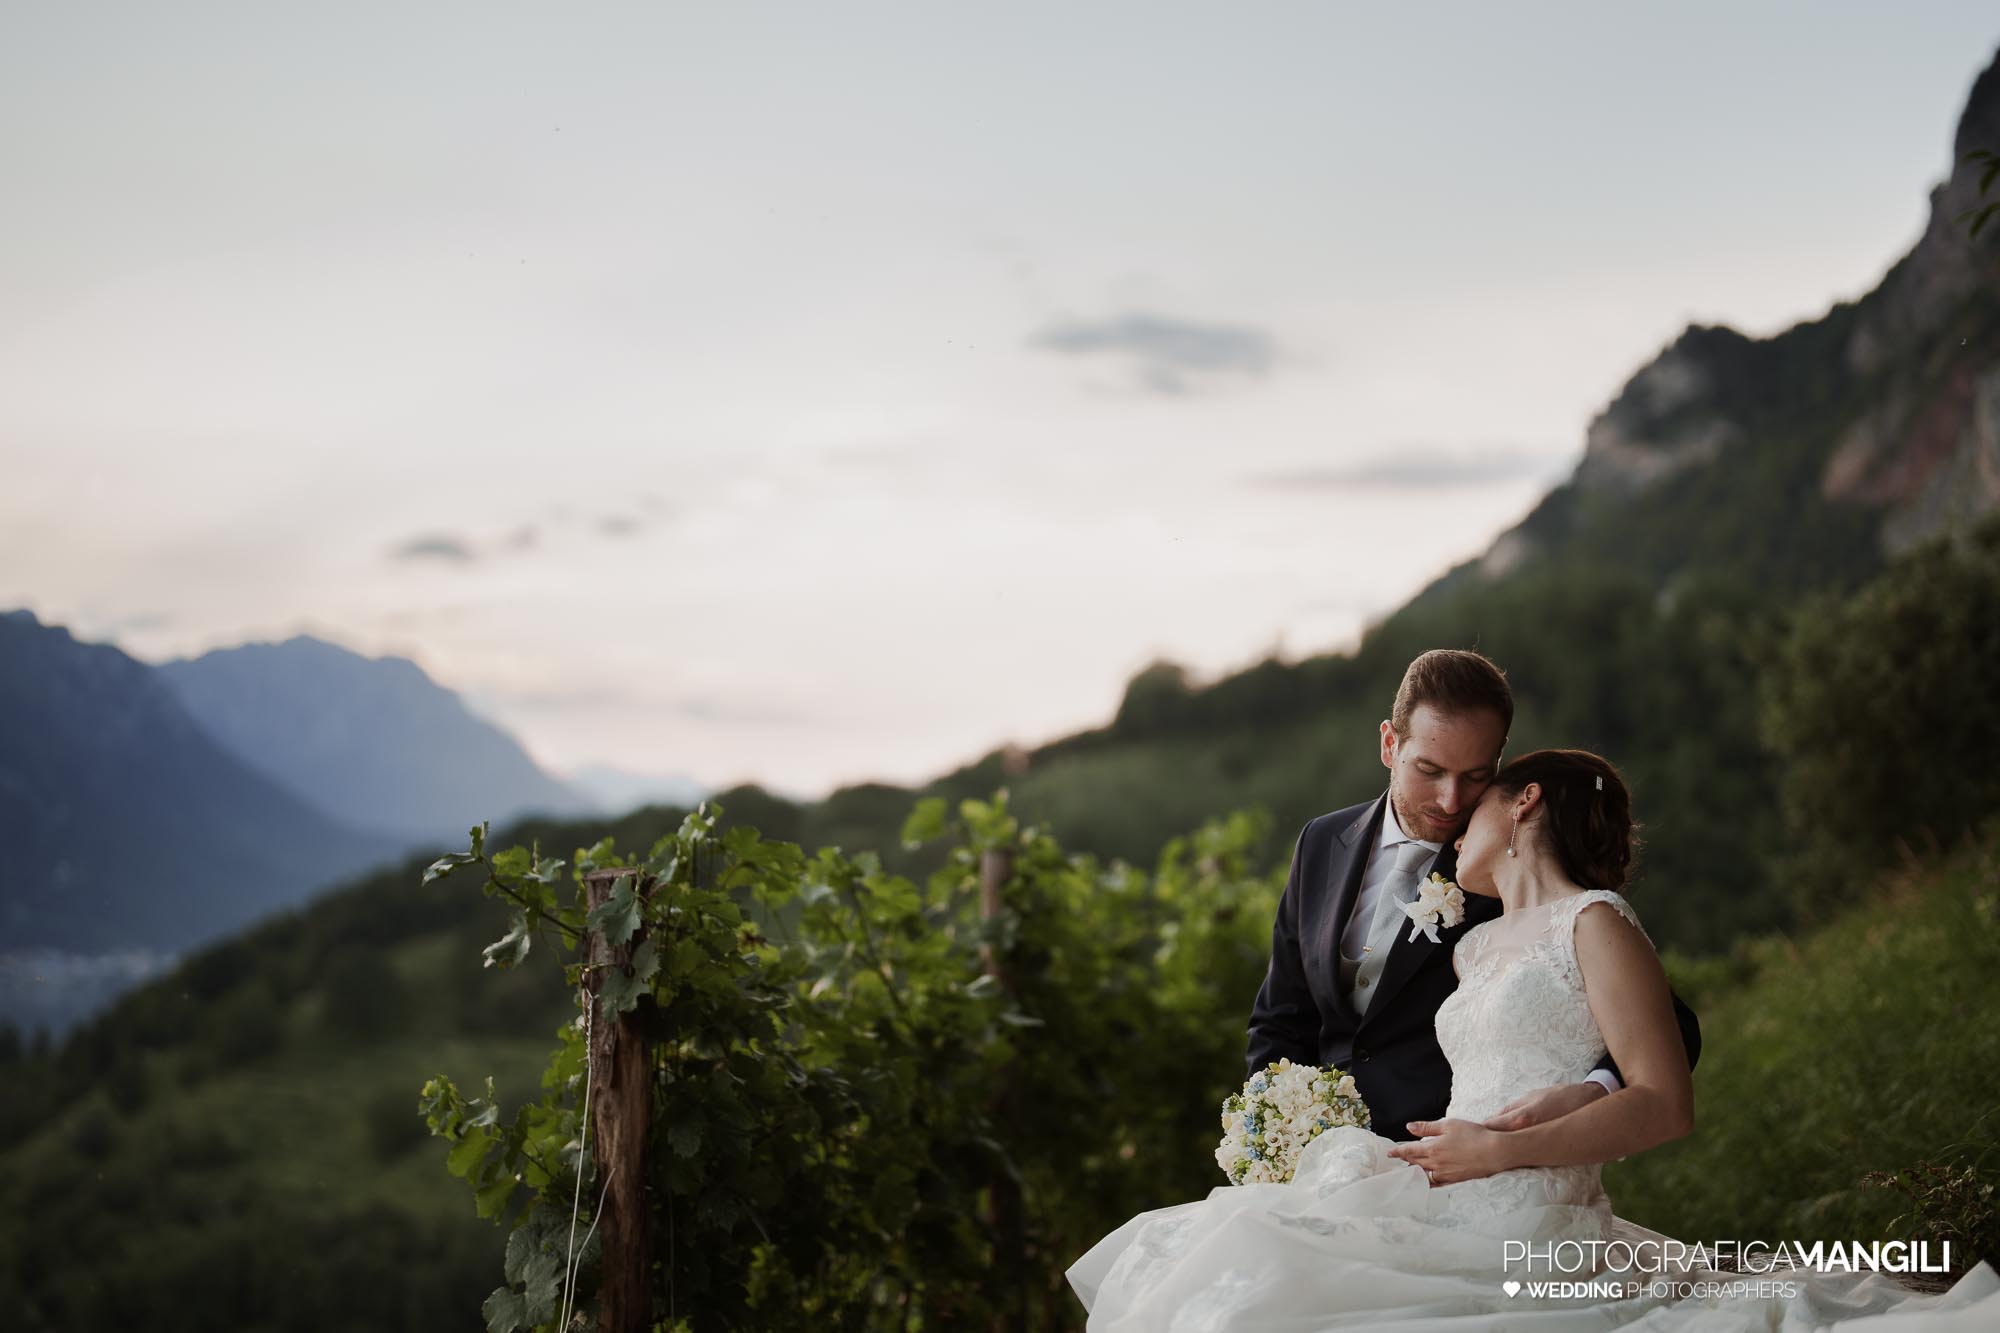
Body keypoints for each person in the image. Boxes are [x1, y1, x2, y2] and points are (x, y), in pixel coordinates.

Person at [1065, 745, 2000, 1328]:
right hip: (1438, 1181)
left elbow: (1665, 1100)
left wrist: (1512, 1139)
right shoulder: (1475, 948)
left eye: (1476, 799)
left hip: (1525, 1212)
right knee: (1226, 1262)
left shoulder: (1595, 921)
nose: (1450, 819)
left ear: (1524, 803)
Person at [1246, 649, 1699, 1154]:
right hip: (1328, 1162)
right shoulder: (1322, 842)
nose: (1451, 801)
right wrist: (1271, 1138)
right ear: (1389, 744)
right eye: (1430, 770)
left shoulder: (1508, 859)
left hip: (1451, 1166)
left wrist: (1591, 1090)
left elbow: (1668, 1022)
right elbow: (1282, 1016)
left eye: (1477, 776)